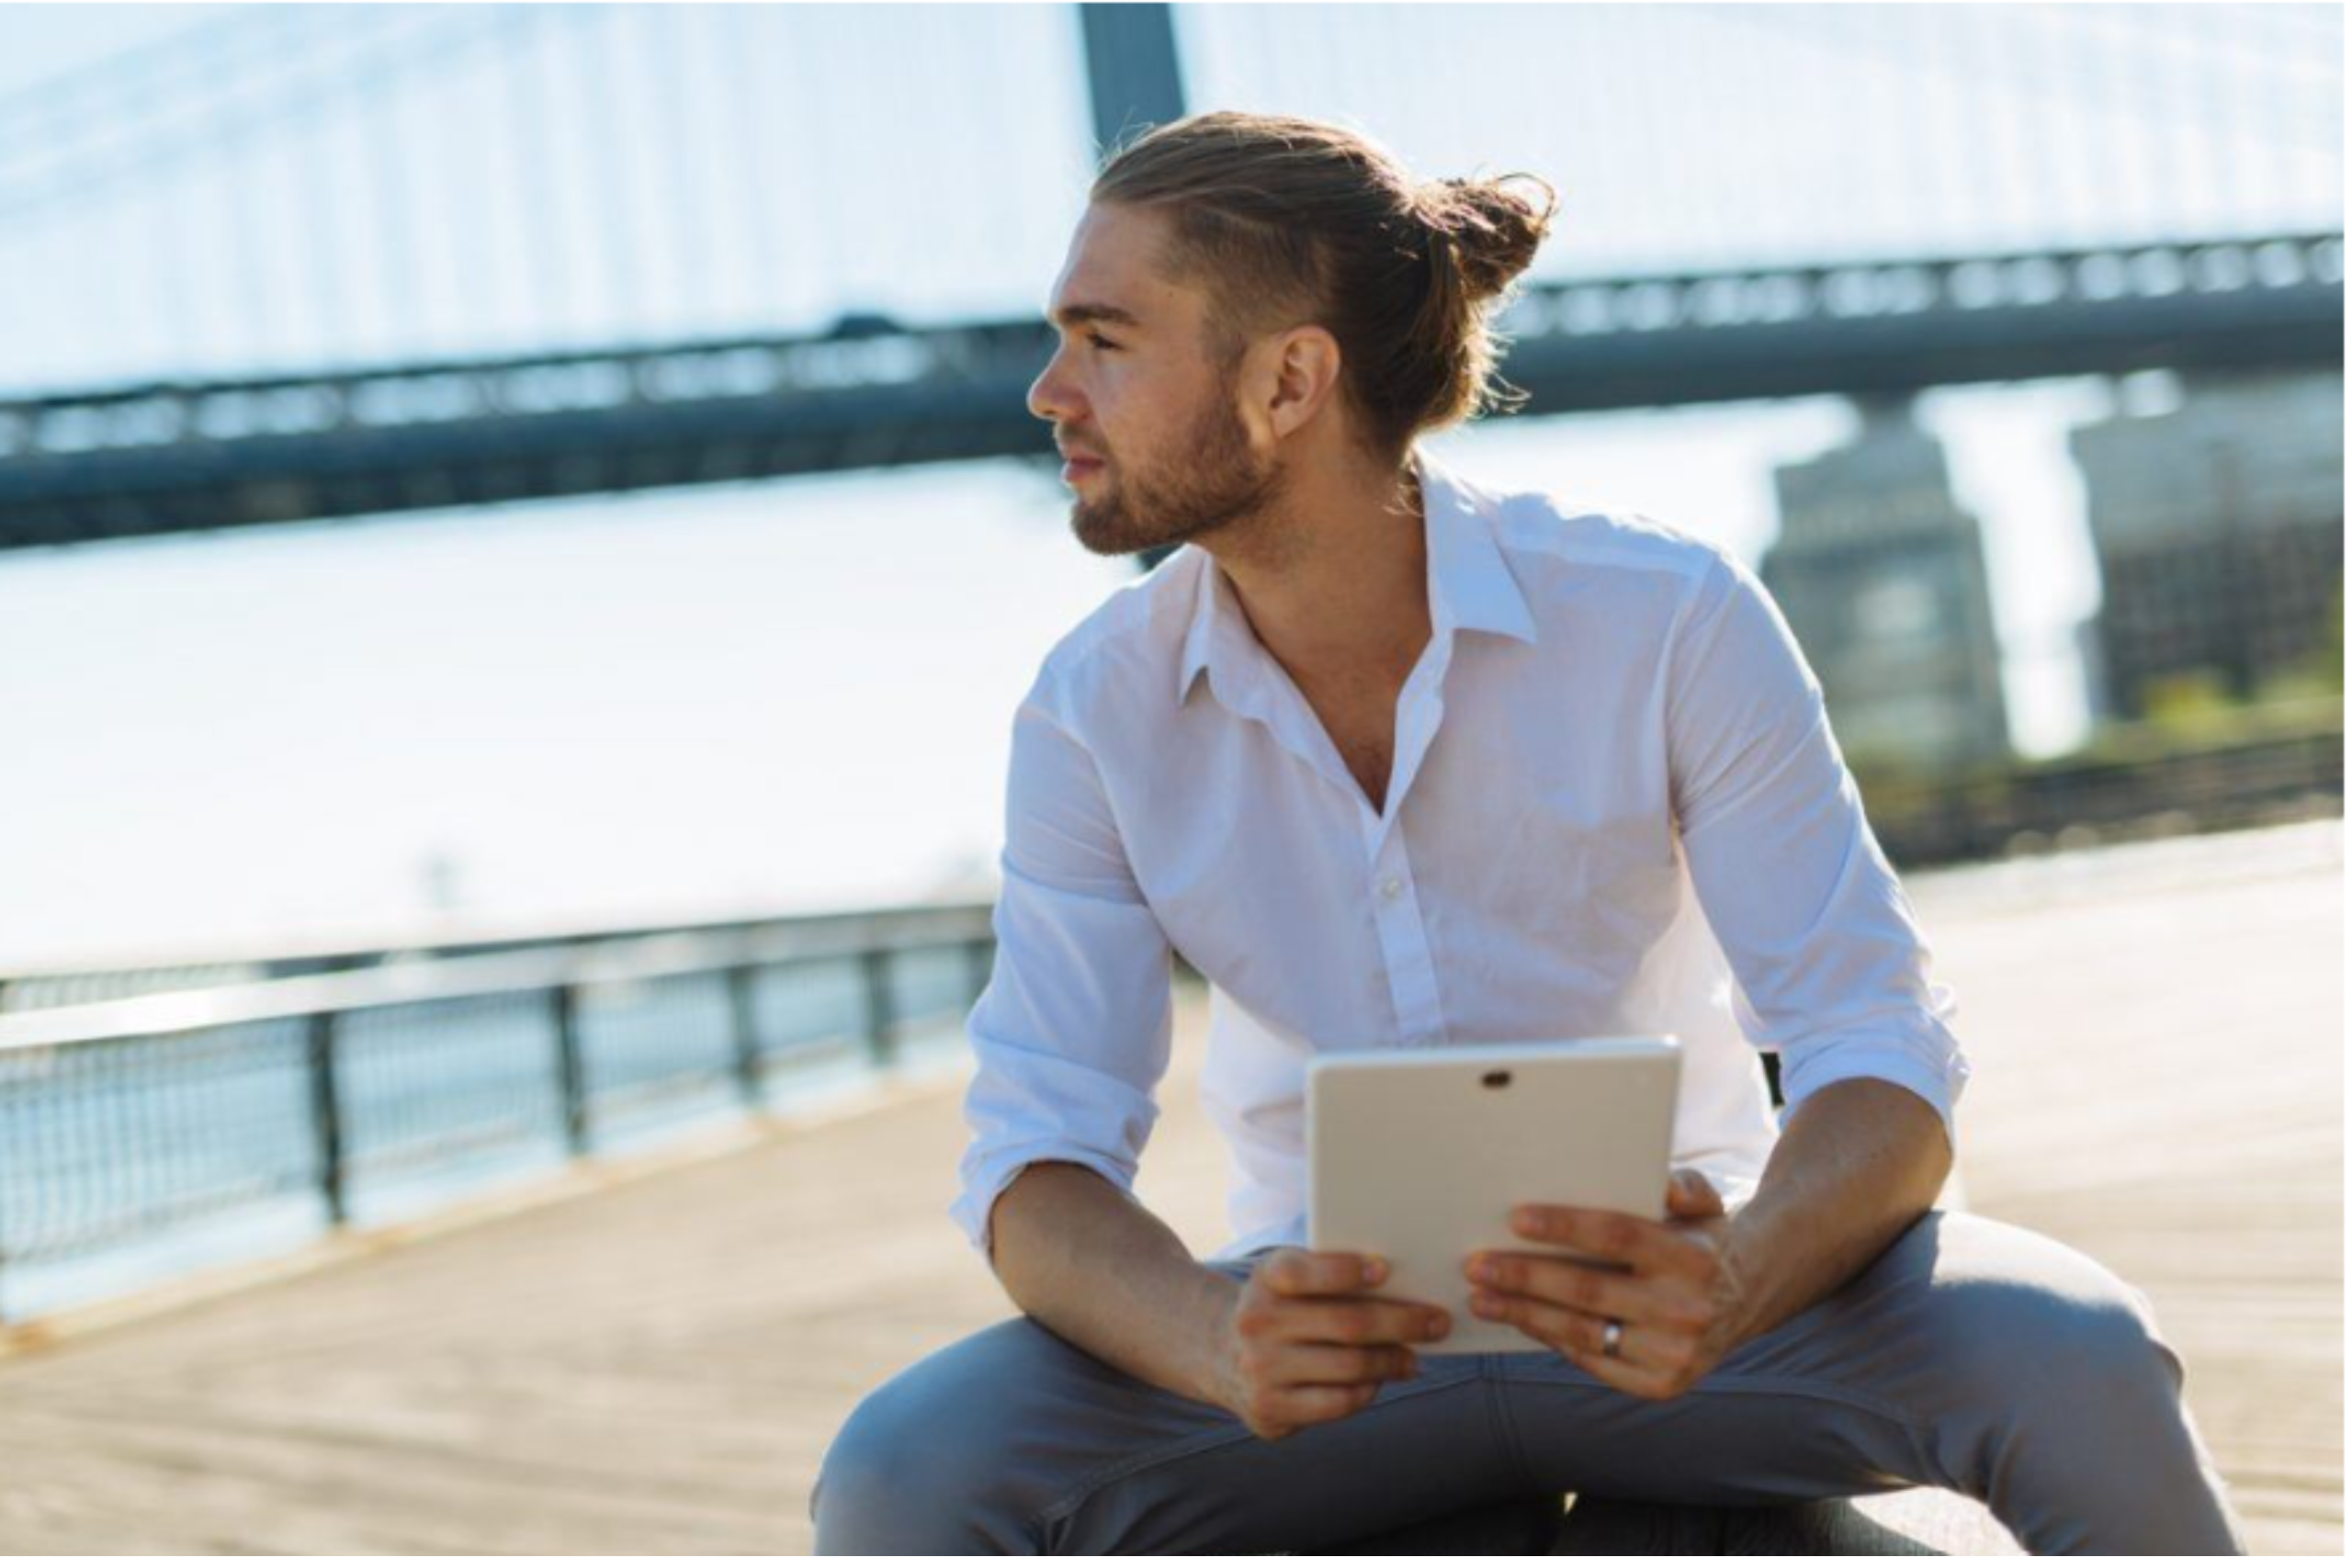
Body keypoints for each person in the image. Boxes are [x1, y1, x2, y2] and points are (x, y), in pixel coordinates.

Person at [809, 110, 2247, 1555]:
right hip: (1324, 1369)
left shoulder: (1664, 614)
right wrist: (1210, 1330)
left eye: (1103, 338)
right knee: (904, 1468)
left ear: (1290, 380)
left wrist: (1738, 1276)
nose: (1050, 391)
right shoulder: (1090, 714)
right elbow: (1035, 1154)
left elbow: (1880, 1049)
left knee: (2078, 1353)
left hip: (1695, 1316)